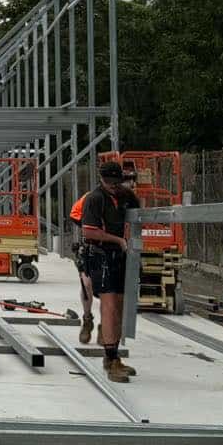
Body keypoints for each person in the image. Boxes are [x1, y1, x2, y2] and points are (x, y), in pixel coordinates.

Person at [77, 160, 141, 382]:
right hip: (101, 254)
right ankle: (111, 358)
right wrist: (118, 240)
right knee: (110, 304)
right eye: (109, 182)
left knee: (120, 306)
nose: (113, 186)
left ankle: (112, 357)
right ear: (101, 180)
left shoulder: (126, 196)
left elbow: (138, 216)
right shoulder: (94, 199)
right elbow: (89, 231)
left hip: (120, 256)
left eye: (116, 182)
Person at [68, 197, 96, 344]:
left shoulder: (124, 199)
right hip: (92, 246)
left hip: (112, 247)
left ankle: (107, 325)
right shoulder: (90, 197)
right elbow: (75, 214)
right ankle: (87, 318)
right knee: (86, 284)